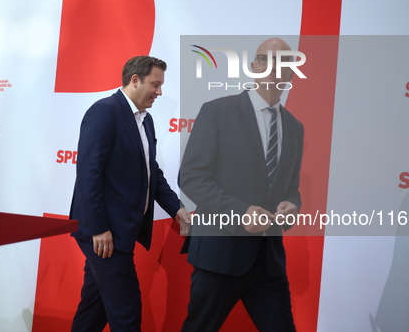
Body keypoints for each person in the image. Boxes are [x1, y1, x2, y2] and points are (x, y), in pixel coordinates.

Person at [180, 38, 304, 331]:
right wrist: (240, 211)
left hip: (268, 261)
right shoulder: (217, 112)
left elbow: (291, 188)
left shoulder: (296, 128)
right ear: (253, 67)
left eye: (283, 62)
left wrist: (293, 205)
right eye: (265, 59)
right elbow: (191, 177)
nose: (274, 68)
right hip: (220, 254)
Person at [69, 55, 191, 332]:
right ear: (135, 80)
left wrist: (177, 209)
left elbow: (152, 173)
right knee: (126, 313)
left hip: (121, 231)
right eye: (155, 84)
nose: (159, 92)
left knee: (94, 309)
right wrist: (99, 229)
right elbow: (89, 174)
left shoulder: (145, 121)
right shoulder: (104, 112)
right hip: (104, 234)